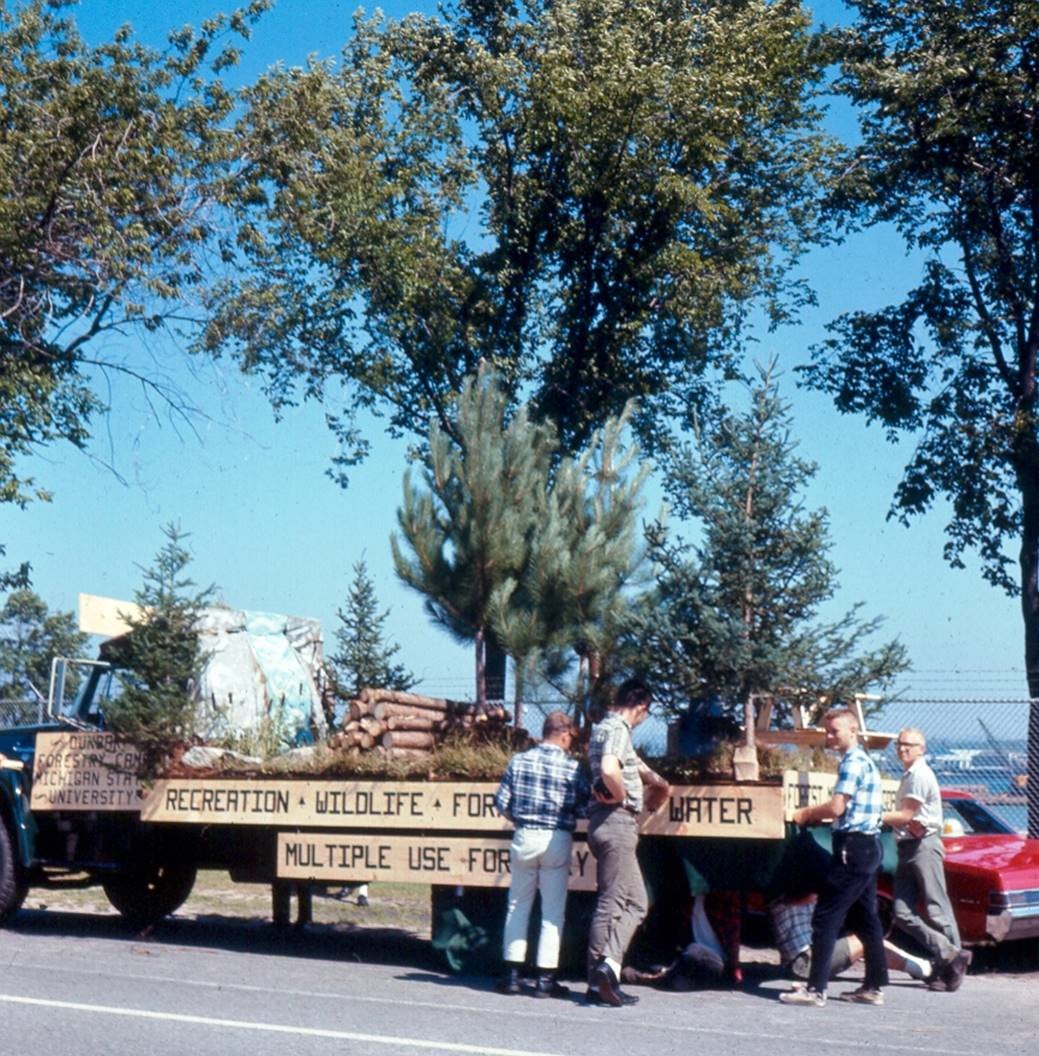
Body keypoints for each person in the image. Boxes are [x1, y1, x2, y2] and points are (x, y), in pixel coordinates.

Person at [779, 706, 888, 1008]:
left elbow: (838, 808)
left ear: (853, 731)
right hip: (869, 847)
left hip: (852, 849)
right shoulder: (865, 761)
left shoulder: (852, 763)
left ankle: (815, 990)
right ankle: (875, 986)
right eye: (826, 731)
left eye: (834, 731)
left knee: (825, 917)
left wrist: (806, 813)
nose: (829, 736)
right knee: (866, 920)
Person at [585, 677, 671, 1007]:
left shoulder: (606, 728)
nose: (643, 719)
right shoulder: (618, 728)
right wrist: (620, 798)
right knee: (611, 902)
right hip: (617, 822)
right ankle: (598, 979)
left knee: (636, 901)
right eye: (646, 713)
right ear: (641, 706)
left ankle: (609, 967)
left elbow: (633, 764)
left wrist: (660, 783)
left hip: (609, 824)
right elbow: (610, 768)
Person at [493, 710, 588, 998]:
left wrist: (521, 818)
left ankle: (511, 976)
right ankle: (545, 980)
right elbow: (582, 809)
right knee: (552, 912)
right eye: (571, 737)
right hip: (556, 838)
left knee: (517, 905)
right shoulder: (573, 768)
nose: (571, 743)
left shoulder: (519, 761)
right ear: (563, 733)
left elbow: (501, 803)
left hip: (524, 835)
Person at [882, 726, 972, 991]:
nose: (902, 749)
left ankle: (951, 967)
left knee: (936, 908)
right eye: (899, 744)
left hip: (923, 846)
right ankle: (950, 955)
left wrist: (871, 815)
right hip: (908, 846)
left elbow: (907, 815)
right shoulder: (909, 776)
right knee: (901, 912)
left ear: (922, 749)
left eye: (908, 745)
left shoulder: (919, 775)